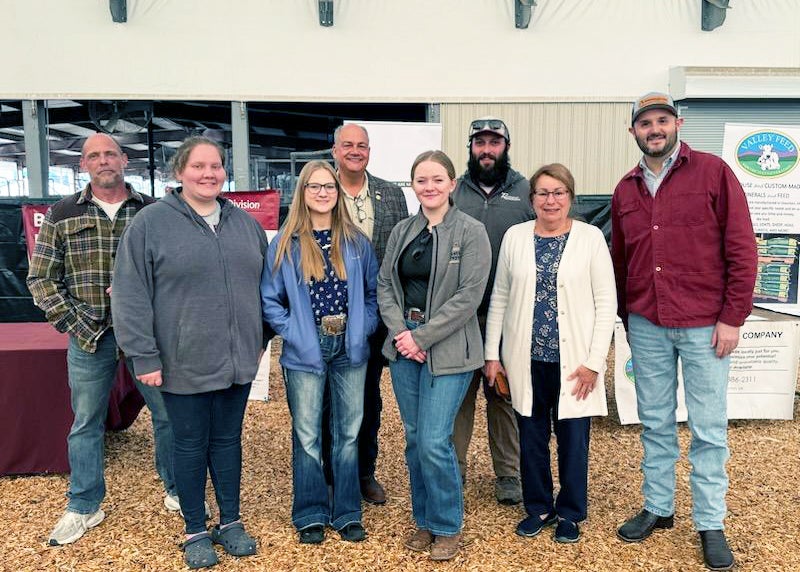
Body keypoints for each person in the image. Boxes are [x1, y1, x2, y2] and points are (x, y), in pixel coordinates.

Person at [611, 92, 757, 571]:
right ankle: (659, 507)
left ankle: (710, 522)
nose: (655, 129)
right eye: (645, 123)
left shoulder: (713, 172)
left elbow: (741, 249)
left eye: (662, 120)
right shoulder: (625, 189)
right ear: (633, 131)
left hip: (704, 325)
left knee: (708, 428)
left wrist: (733, 317)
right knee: (654, 422)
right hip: (647, 322)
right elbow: (620, 260)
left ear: (677, 123)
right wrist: (625, 316)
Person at [112, 136, 267, 569]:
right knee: (189, 443)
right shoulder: (150, 224)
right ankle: (195, 528)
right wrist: (144, 356)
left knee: (228, 441)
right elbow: (129, 292)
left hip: (237, 360)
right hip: (181, 362)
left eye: (215, 166)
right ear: (179, 172)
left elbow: (269, 291)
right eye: (198, 166)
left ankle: (231, 521)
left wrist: (260, 340)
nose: (208, 174)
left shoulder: (245, 226)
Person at [26, 133, 178, 547]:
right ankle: (84, 504)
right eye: (94, 155)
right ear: (83, 165)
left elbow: (177, 273)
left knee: (167, 416)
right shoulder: (61, 213)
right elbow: (41, 278)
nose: (103, 160)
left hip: (148, 339)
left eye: (110, 153)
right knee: (85, 423)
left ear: (124, 160)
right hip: (90, 337)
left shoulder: (155, 211)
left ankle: (177, 489)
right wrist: (75, 322)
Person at [483, 164, 616, 544]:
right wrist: (492, 354)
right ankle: (538, 506)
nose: (550, 200)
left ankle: (571, 512)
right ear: (532, 200)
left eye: (558, 192)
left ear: (571, 198)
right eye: (542, 193)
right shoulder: (515, 236)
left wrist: (594, 361)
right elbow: (501, 297)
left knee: (573, 439)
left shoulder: (590, 238)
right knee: (532, 436)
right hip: (526, 359)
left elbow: (606, 302)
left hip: (574, 362)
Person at [378, 150, 491, 561]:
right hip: (404, 346)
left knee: (433, 439)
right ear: (414, 186)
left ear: (452, 184)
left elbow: (468, 297)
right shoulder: (403, 230)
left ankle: (447, 525)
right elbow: (385, 285)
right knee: (413, 438)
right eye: (421, 180)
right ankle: (423, 520)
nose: (429, 187)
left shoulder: (471, 231)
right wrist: (401, 334)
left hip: (450, 350)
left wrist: (422, 337)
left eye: (437, 179)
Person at [261, 160, 379, 545]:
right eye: (315, 187)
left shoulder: (357, 242)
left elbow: (373, 294)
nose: (323, 193)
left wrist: (363, 328)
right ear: (303, 192)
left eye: (329, 186)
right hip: (305, 345)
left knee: (347, 433)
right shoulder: (286, 242)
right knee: (308, 433)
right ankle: (310, 511)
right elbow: (270, 300)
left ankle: (346, 511)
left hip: (350, 344)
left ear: (338, 192)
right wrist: (293, 332)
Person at [452, 116, 534, 504]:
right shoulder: (455, 190)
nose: (487, 149)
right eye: (480, 142)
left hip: (509, 313)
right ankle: (454, 471)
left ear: (506, 146)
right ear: (470, 147)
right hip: (460, 315)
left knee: (503, 394)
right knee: (457, 395)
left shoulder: (526, 191)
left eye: (494, 142)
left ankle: (508, 473)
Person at [326, 123, 408, 504]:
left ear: (369, 151)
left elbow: (401, 256)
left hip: (373, 312)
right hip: (325, 310)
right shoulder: (320, 189)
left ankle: (363, 472)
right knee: (327, 396)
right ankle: (330, 476)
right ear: (335, 150)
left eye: (362, 145)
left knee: (368, 397)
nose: (355, 151)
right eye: (348, 145)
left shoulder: (391, 194)